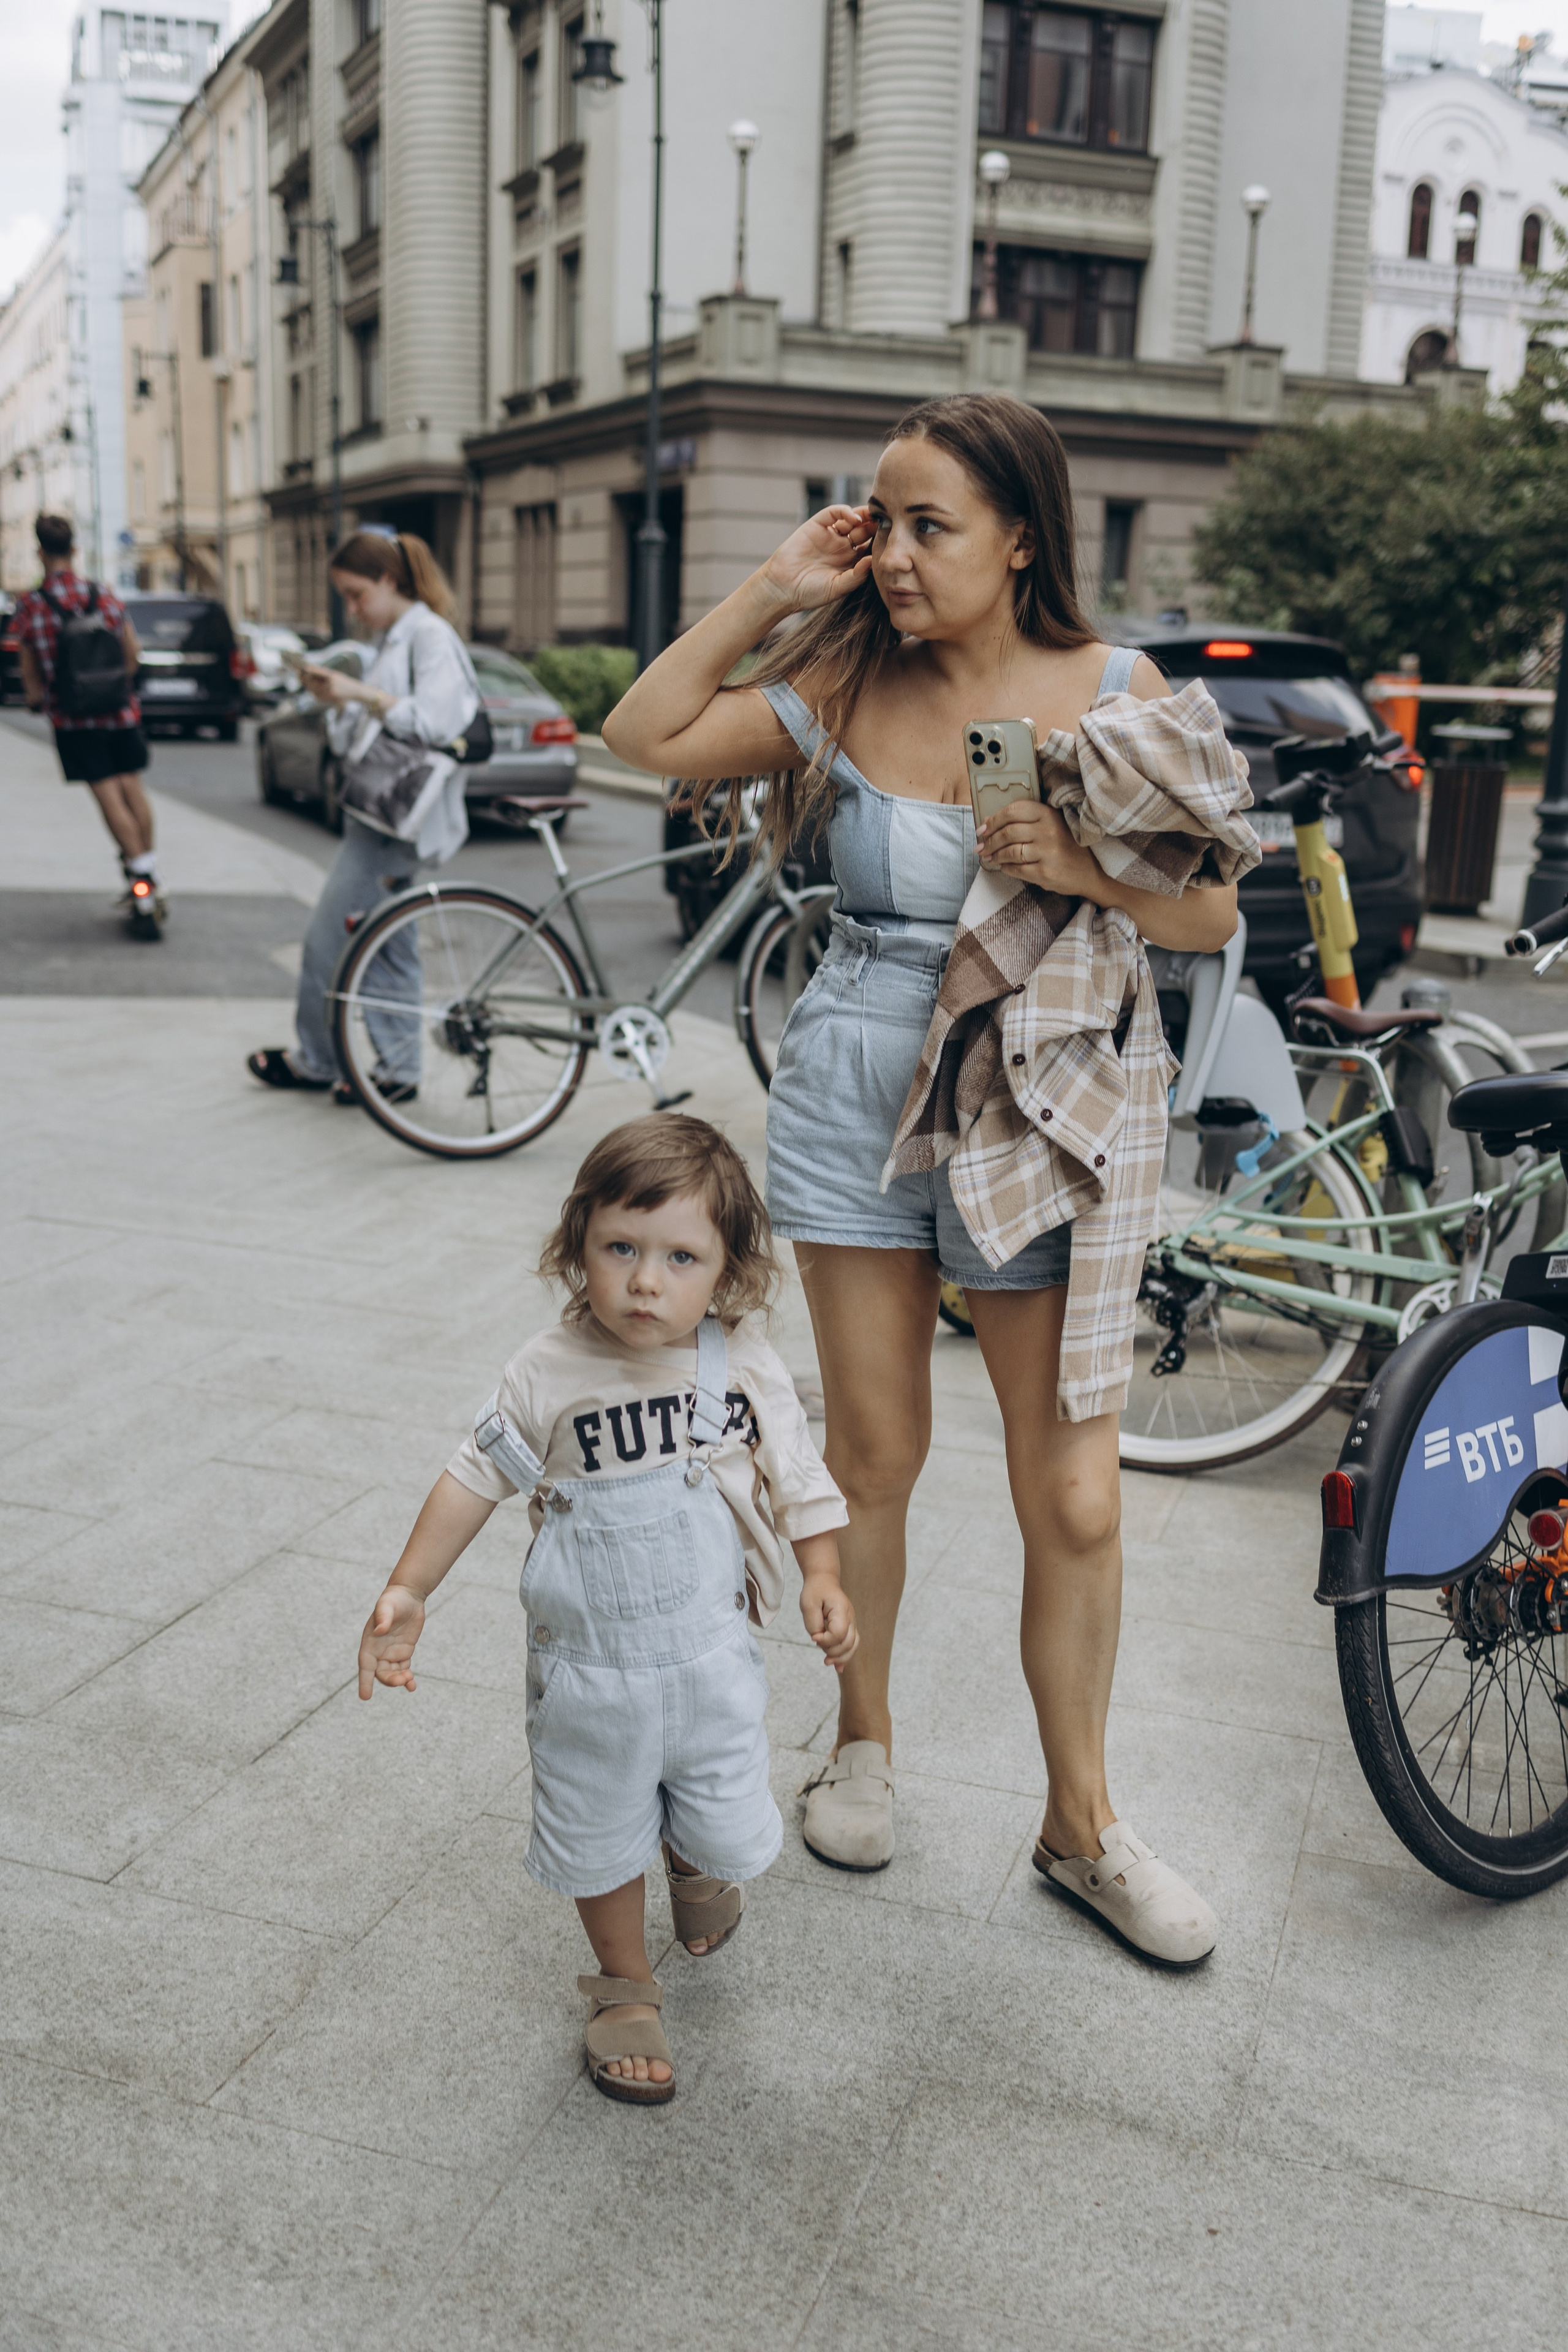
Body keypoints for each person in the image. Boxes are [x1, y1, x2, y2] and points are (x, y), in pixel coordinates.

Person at [602, 392, 1257, 1970]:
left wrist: (1077, 866)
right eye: (875, 520)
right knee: (870, 1452)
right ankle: (864, 1744)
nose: (891, 553)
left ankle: (1079, 1824)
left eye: (925, 525)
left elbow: (1210, 918)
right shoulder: (840, 673)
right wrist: (776, 584)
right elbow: (643, 736)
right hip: (850, 1092)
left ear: (1020, 536)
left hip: (1040, 1102)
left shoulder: (1115, 690)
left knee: (1074, 1491)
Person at [356, 1114, 857, 2103]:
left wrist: (823, 1574)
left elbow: (799, 1476)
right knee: (596, 1818)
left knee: (712, 1801)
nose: (644, 1282)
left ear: (727, 1270)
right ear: (578, 1241)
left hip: (709, 1658)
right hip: (590, 1670)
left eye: (681, 1257)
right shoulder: (547, 1371)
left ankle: (696, 1859)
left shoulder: (740, 1363)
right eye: (620, 1249)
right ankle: (624, 1984)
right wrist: (409, 1587)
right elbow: (472, 1478)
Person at [246, 529, 479, 1104]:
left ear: (389, 580)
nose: (352, 608)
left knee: (331, 943)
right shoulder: (396, 639)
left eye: (356, 594)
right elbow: (368, 731)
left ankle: (319, 1061)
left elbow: (437, 721)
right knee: (388, 944)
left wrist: (359, 692)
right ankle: (398, 1072)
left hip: (392, 823)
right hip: (380, 816)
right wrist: (340, 699)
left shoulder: (428, 635)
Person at [14, 513, 160, 918]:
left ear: (41, 553)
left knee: (107, 796)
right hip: (120, 711)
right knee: (133, 789)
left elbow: (31, 675)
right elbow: (131, 651)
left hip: (74, 719)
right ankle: (149, 875)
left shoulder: (32, 606)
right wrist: (119, 687)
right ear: (75, 550)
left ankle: (141, 880)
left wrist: (36, 698)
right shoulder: (104, 595)